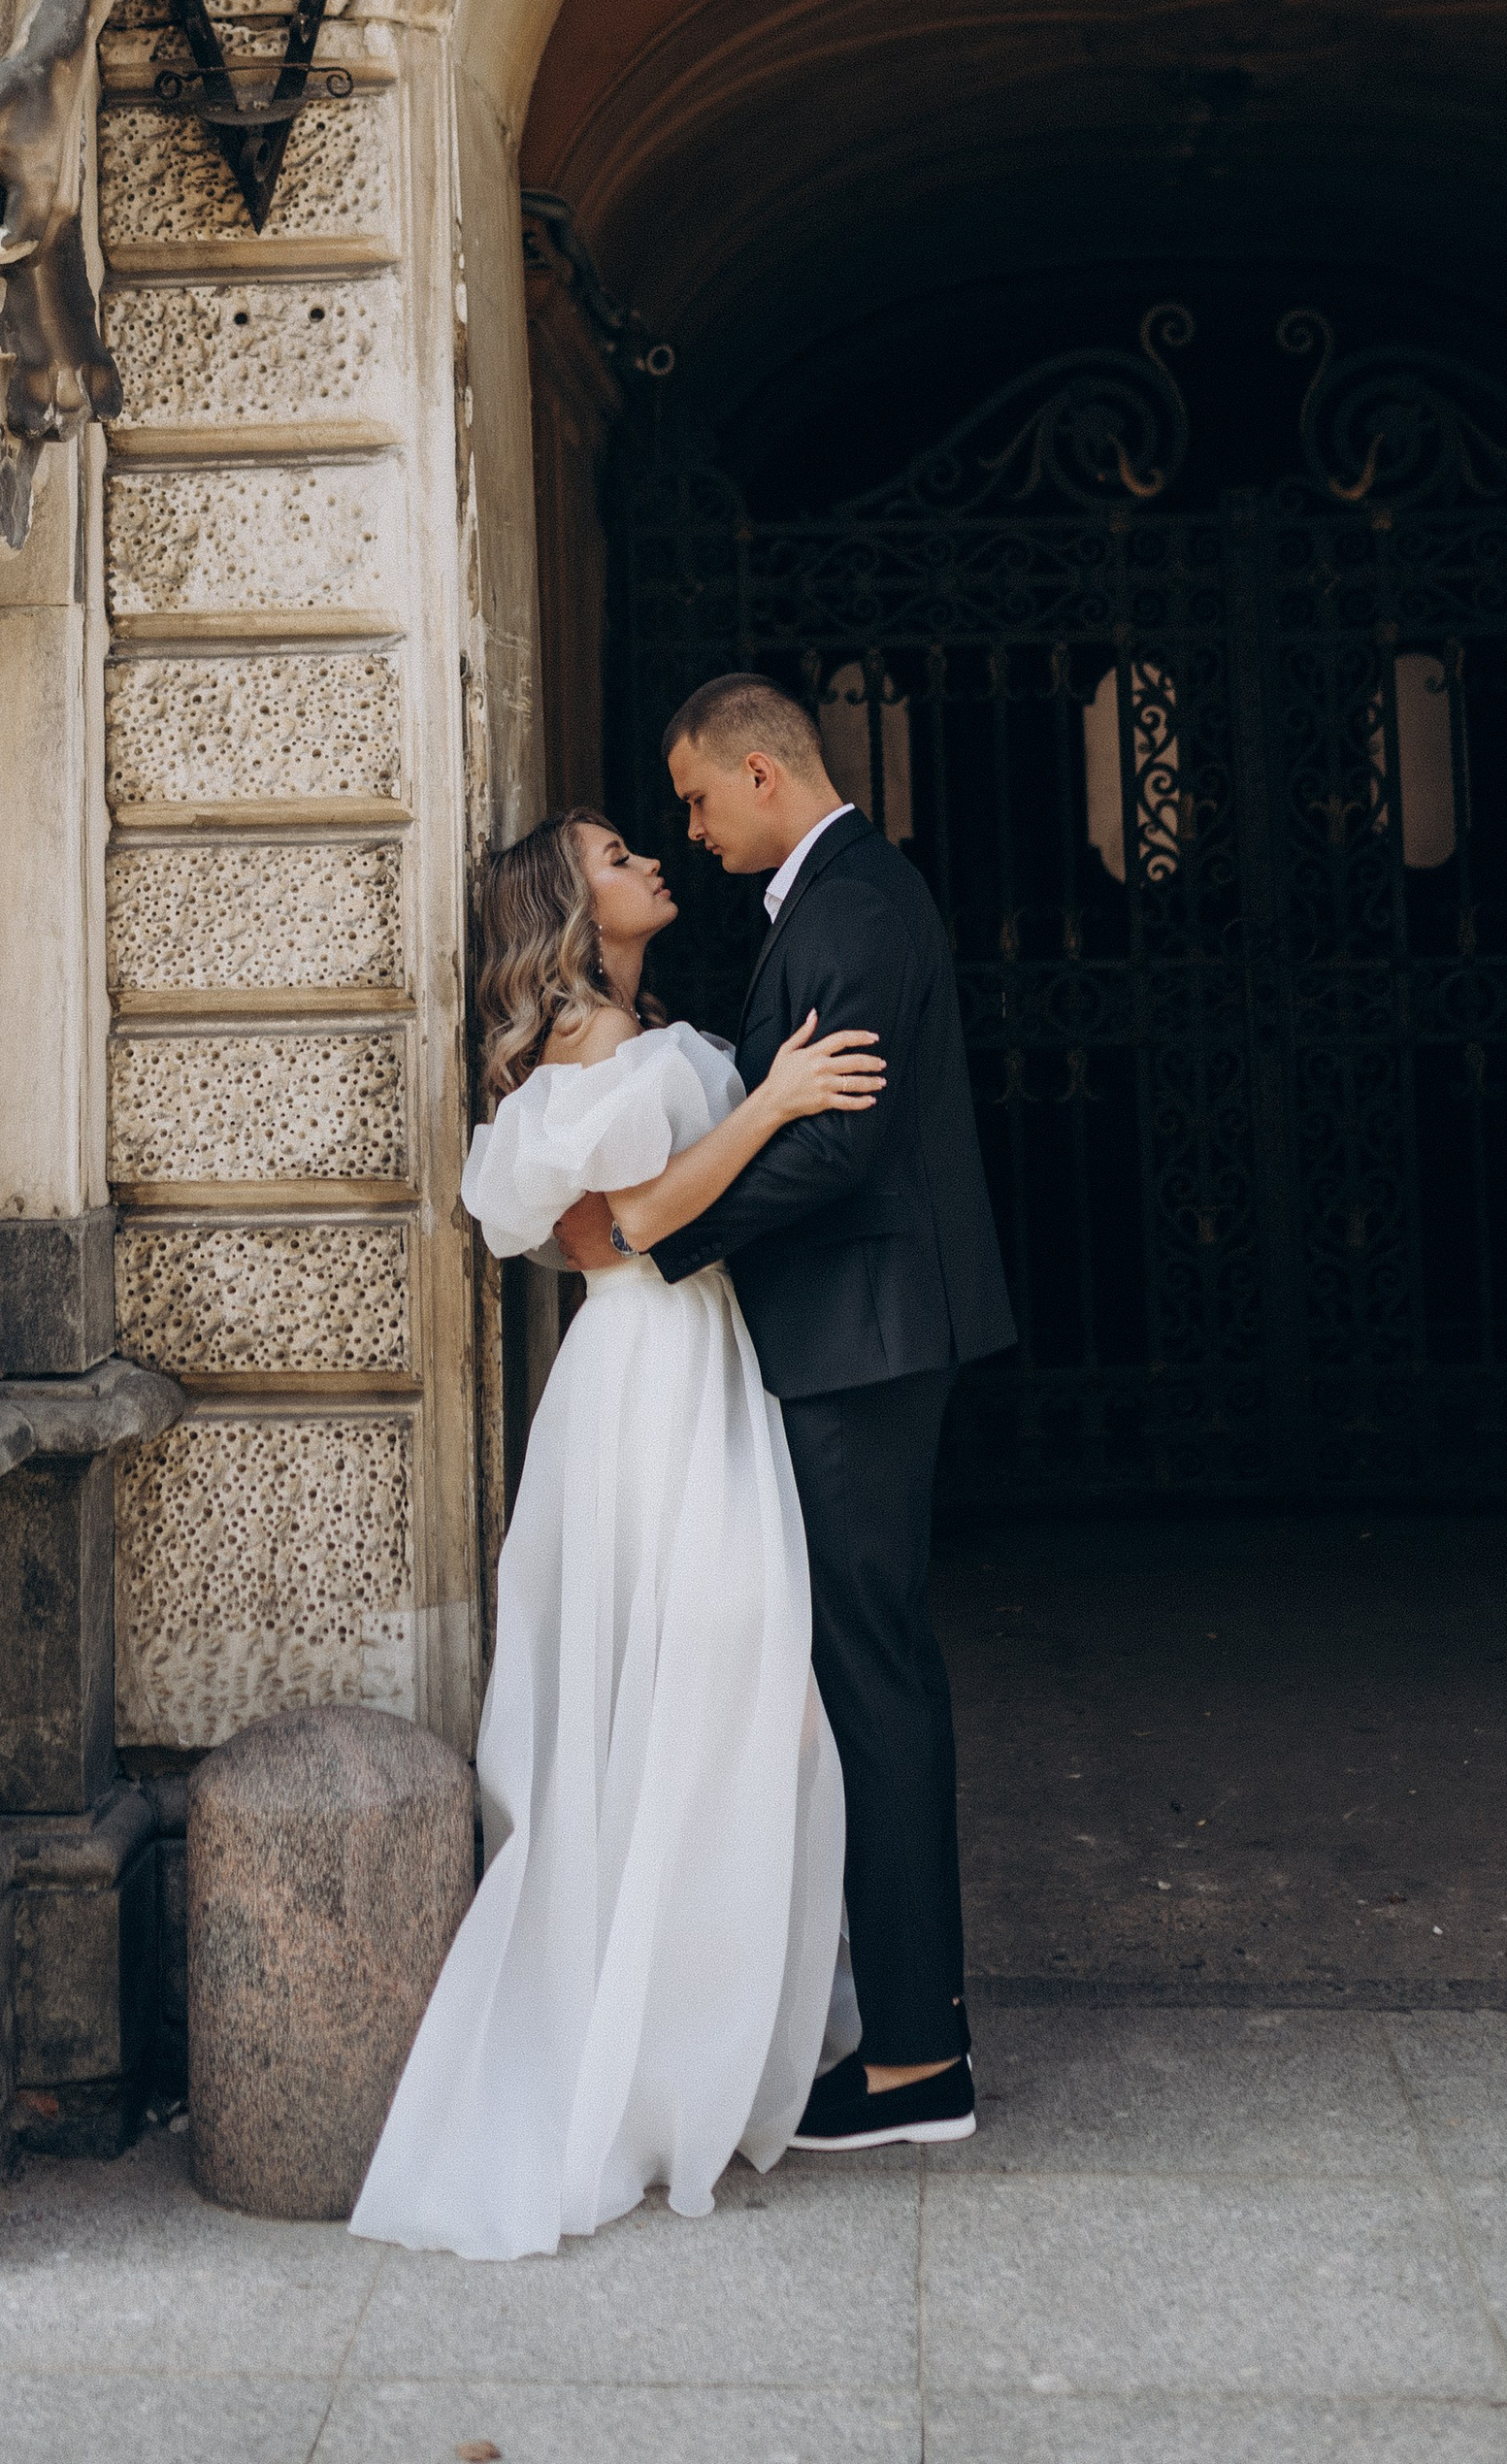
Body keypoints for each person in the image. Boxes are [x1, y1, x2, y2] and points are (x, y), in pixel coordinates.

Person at [349, 809, 887, 2260]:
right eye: (611, 852)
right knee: (688, 1686)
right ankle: (634, 2065)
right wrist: (771, 1107)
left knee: (744, 1702)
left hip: (718, 1381)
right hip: (645, 1394)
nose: (651, 855)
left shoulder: (662, 1038)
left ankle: (694, 2039)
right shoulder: (577, 1069)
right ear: (564, 908)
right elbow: (621, 1231)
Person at [555, 673, 1018, 2150]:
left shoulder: (853, 909)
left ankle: (911, 2071)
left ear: (764, 773)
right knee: (864, 1671)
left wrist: (655, 1242)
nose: (685, 828)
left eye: (695, 798)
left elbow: (835, 1147)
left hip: (867, 1338)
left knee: (870, 1673)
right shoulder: (827, 905)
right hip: (858, 1334)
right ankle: (903, 2032)